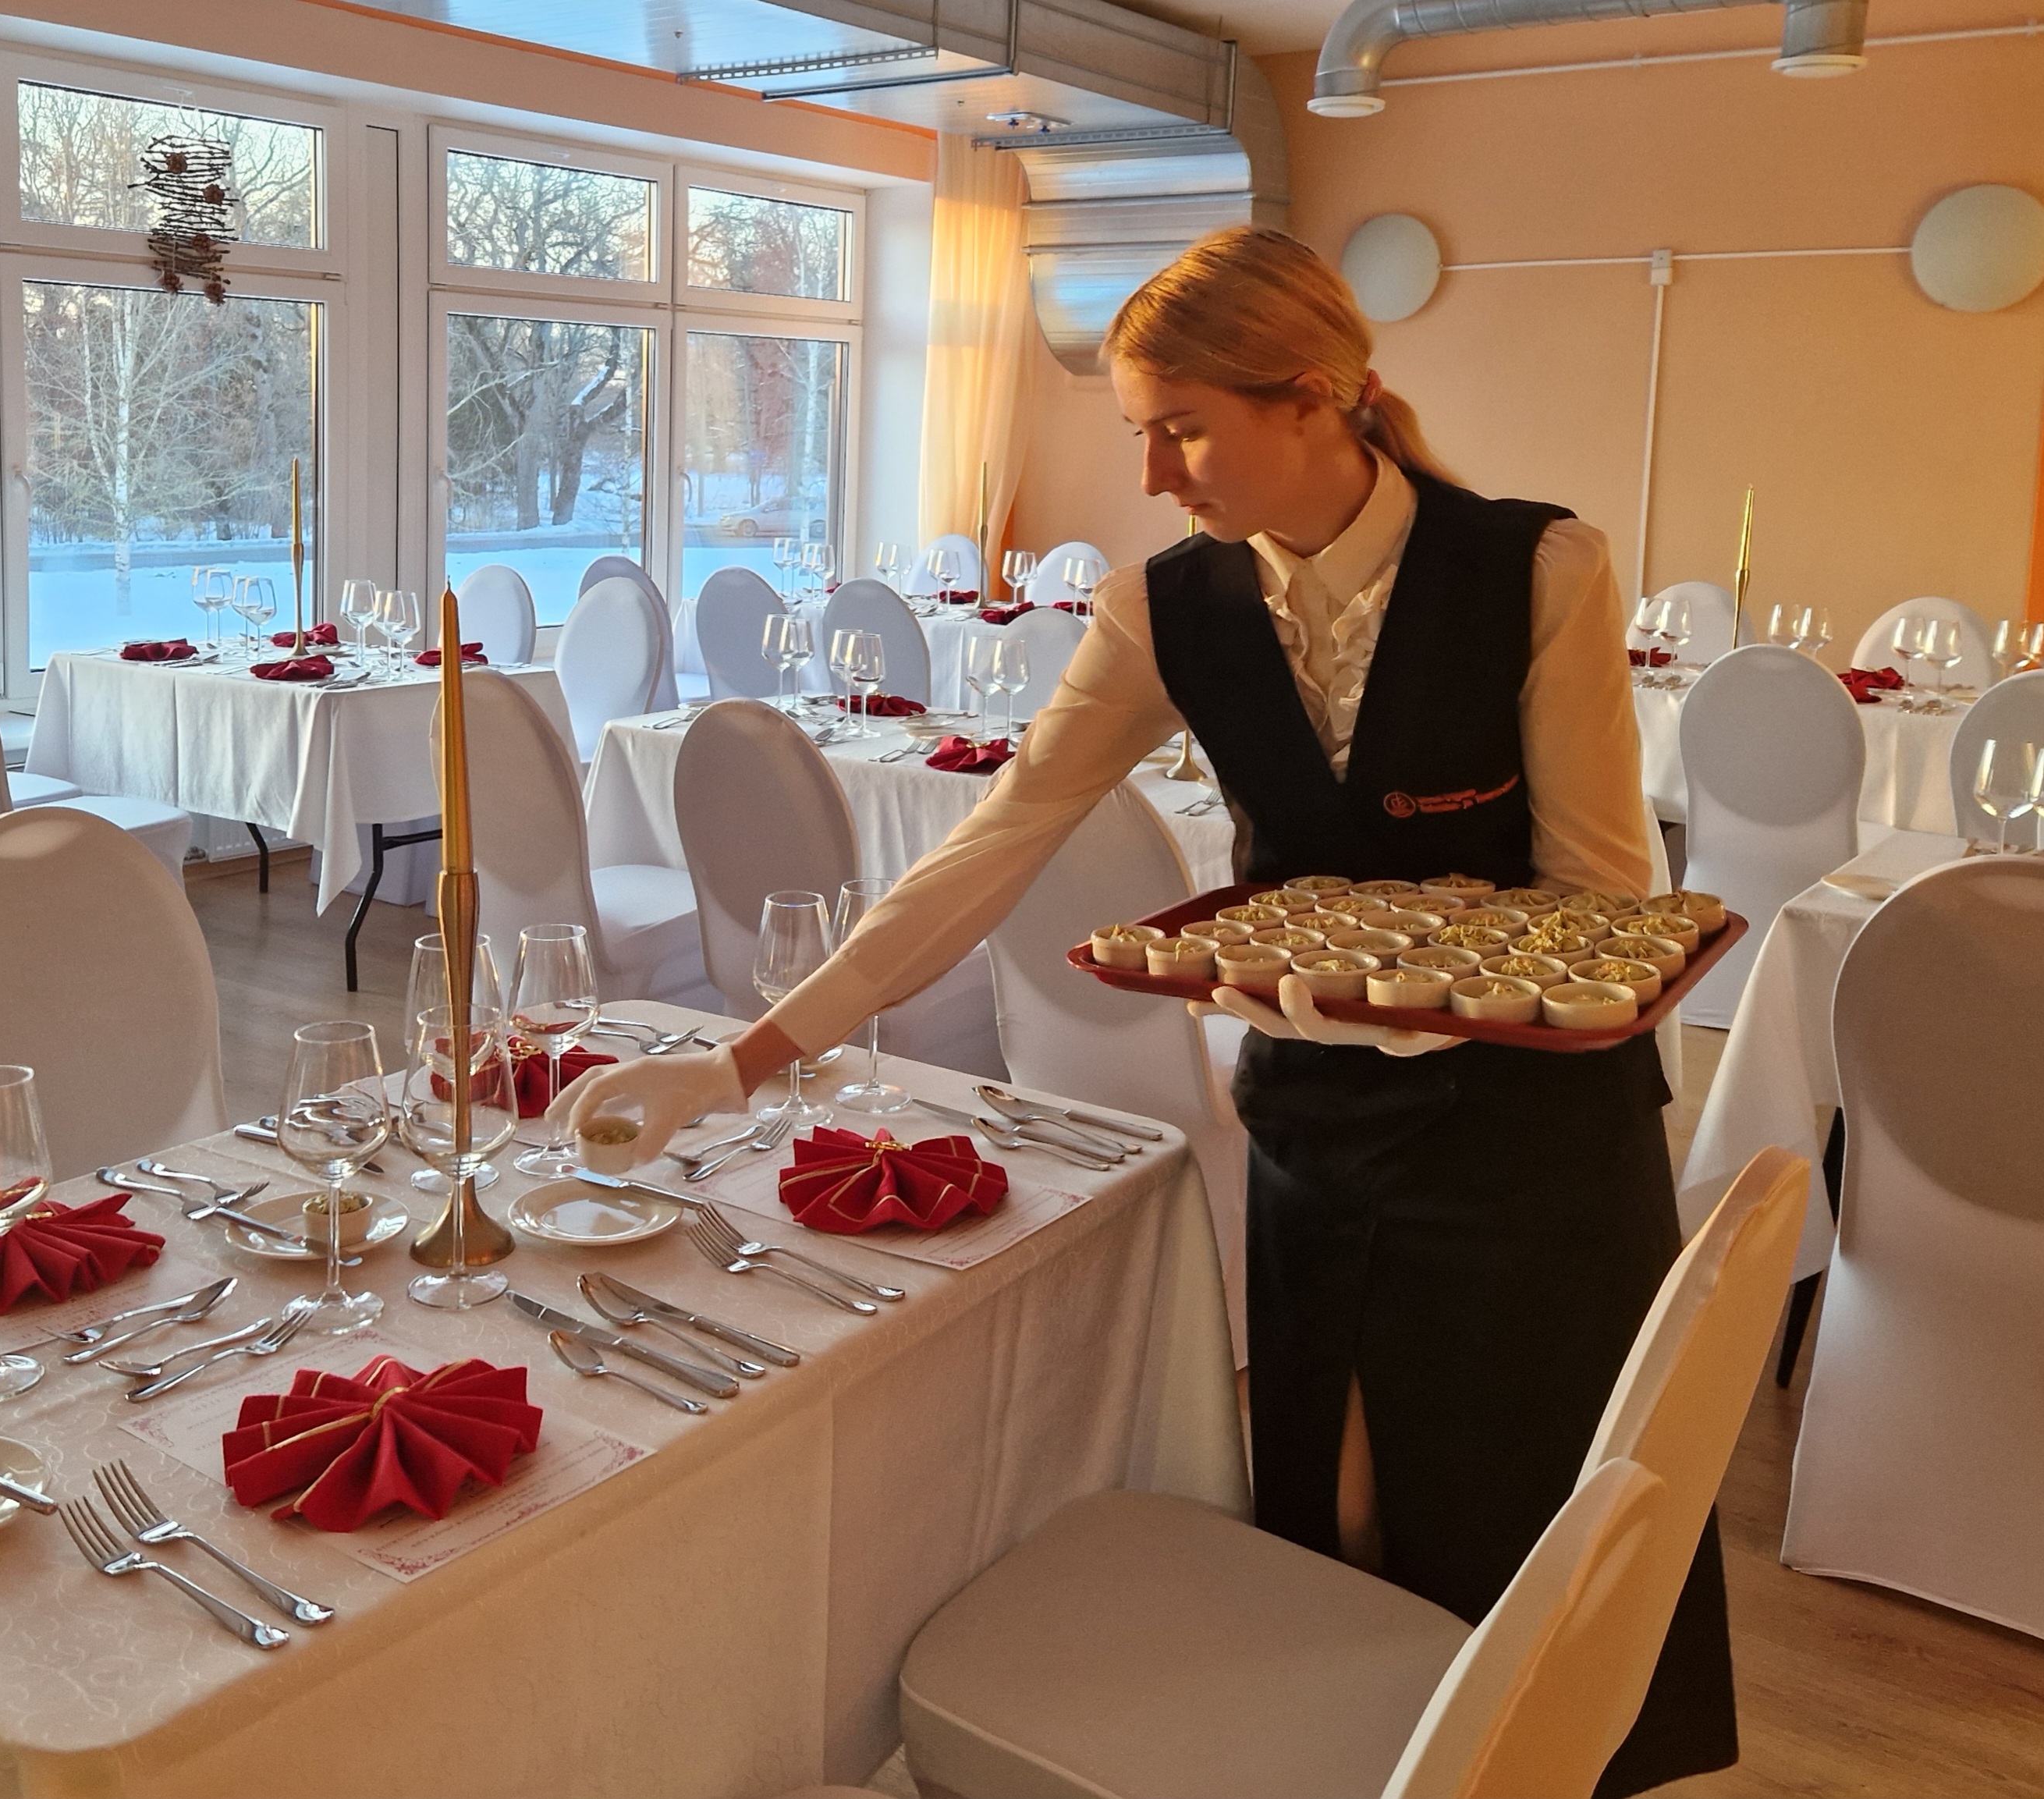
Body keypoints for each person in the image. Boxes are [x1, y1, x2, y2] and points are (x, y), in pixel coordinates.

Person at [562, 224, 1728, 1794]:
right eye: (1138, 433)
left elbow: (1597, 900)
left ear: (1314, 395)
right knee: (1334, 1518)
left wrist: (1411, 975)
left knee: (1530, 1520)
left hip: (1532, 1143)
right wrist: (742, 1058)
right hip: (1319, 1125)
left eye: (1181, 429)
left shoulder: (1536, 570)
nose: (1152, 475)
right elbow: (990, 851)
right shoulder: (1161, 609)